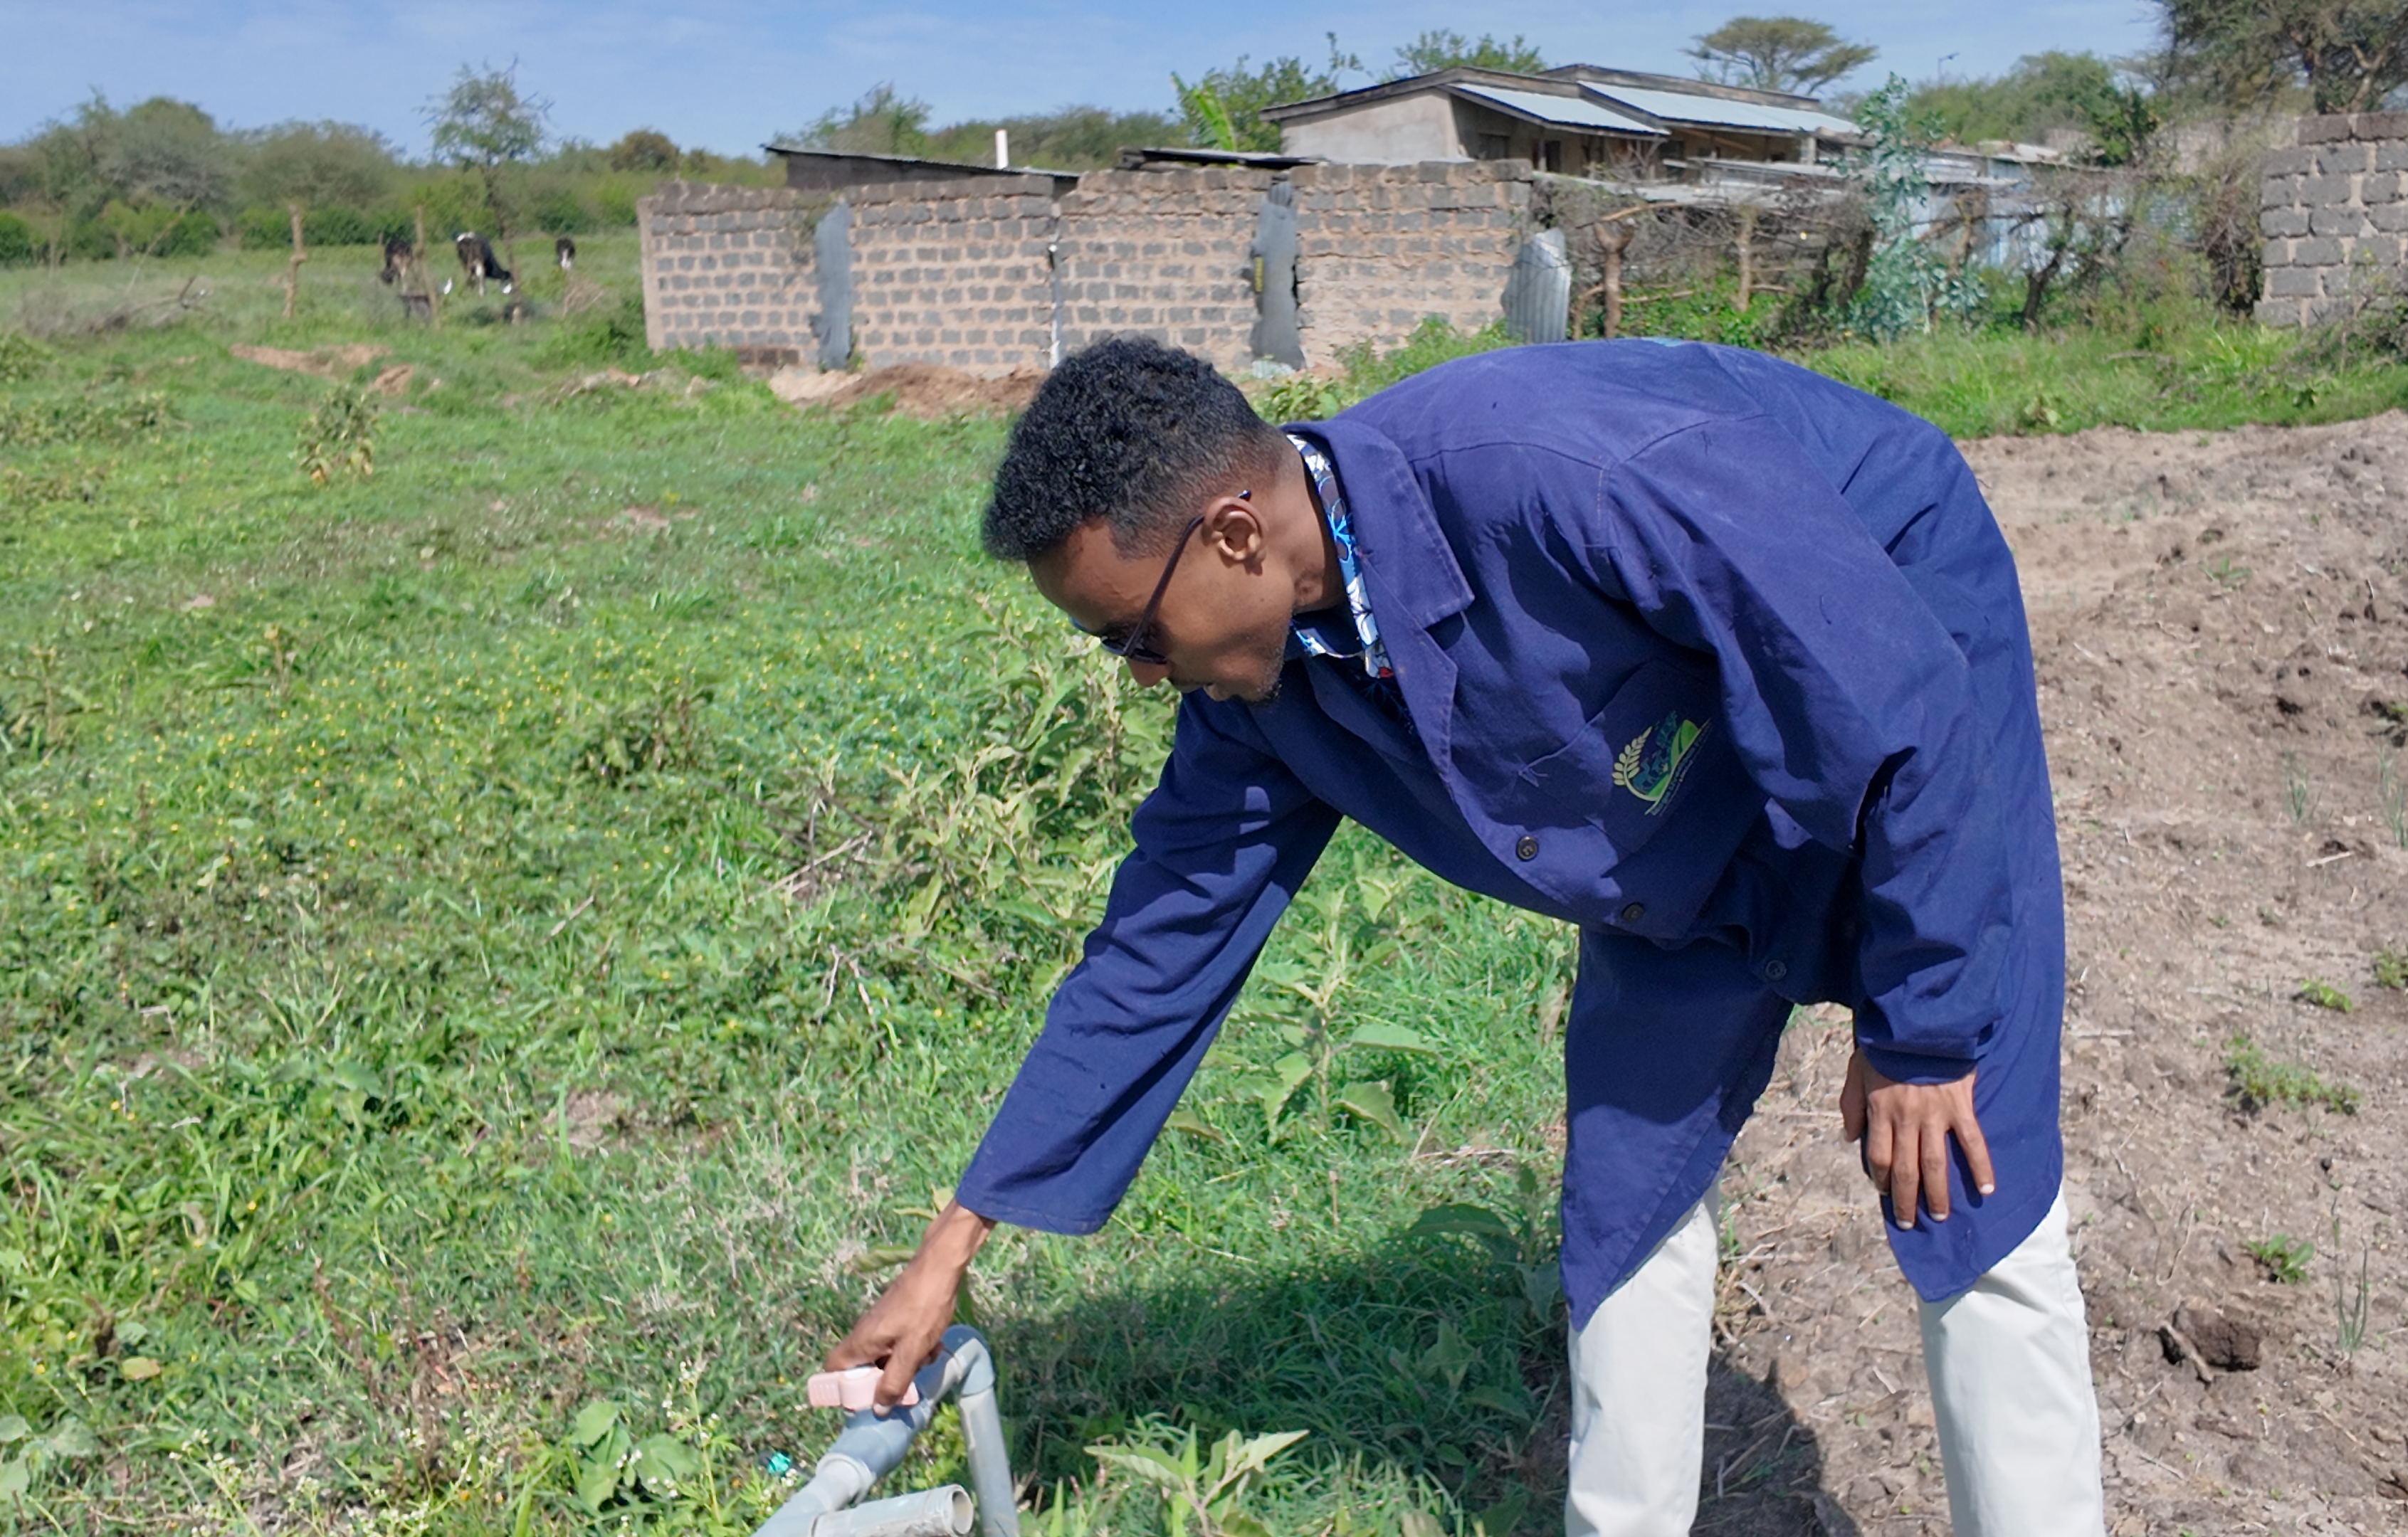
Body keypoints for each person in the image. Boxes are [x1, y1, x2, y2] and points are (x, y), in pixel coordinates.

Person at [826, 335, 2103, 1536]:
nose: (1142, 678)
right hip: (1673, 785)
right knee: (1625, 1190)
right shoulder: (1266, 696)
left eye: (1134, 636)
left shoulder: (1563, 482)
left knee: (1964, 1167)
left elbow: (1895, 714)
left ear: (1231, 535)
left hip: (1888, 630)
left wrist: (1925, 1028)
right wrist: (955, 1243)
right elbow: (1157, 946)